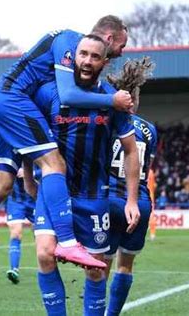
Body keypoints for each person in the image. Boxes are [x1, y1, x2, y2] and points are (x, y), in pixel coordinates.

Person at [0, 15, 132, 295]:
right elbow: (68, 94)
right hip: (12, 100)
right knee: (54, 162)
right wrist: (112, 100)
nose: (122, 52)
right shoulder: (71, 40)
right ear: (109, 38)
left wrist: (28, 176)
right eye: (122, 45)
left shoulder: (70, 47)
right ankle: (69, 243)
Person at [30, 34, 140, 316]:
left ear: (104, 62)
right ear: (73, 57)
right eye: (83, 54)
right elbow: (27, 137)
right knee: (44, 253)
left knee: (95, 268)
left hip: (94, 196)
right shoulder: (49, 93)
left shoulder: (112, 100)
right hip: (55, 191)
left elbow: (130, 150)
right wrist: (28, 178)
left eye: (94, 56)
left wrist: (131, 200)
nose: (87, 61)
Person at [104, 56, 157, 316]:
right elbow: (146, 167)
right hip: (138, 203)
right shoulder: (150, 129)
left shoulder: (105, 124)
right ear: (135, 99)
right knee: (125, 266)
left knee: (100, 265)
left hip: (107, 200)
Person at [5, 168, 36, 284]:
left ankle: (46, 269)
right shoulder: (10, 152)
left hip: (35, 198)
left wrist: (30, 172)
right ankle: (14, 269)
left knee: (40, 235)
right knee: (15, 233)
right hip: (15, 200)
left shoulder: (35, 153)